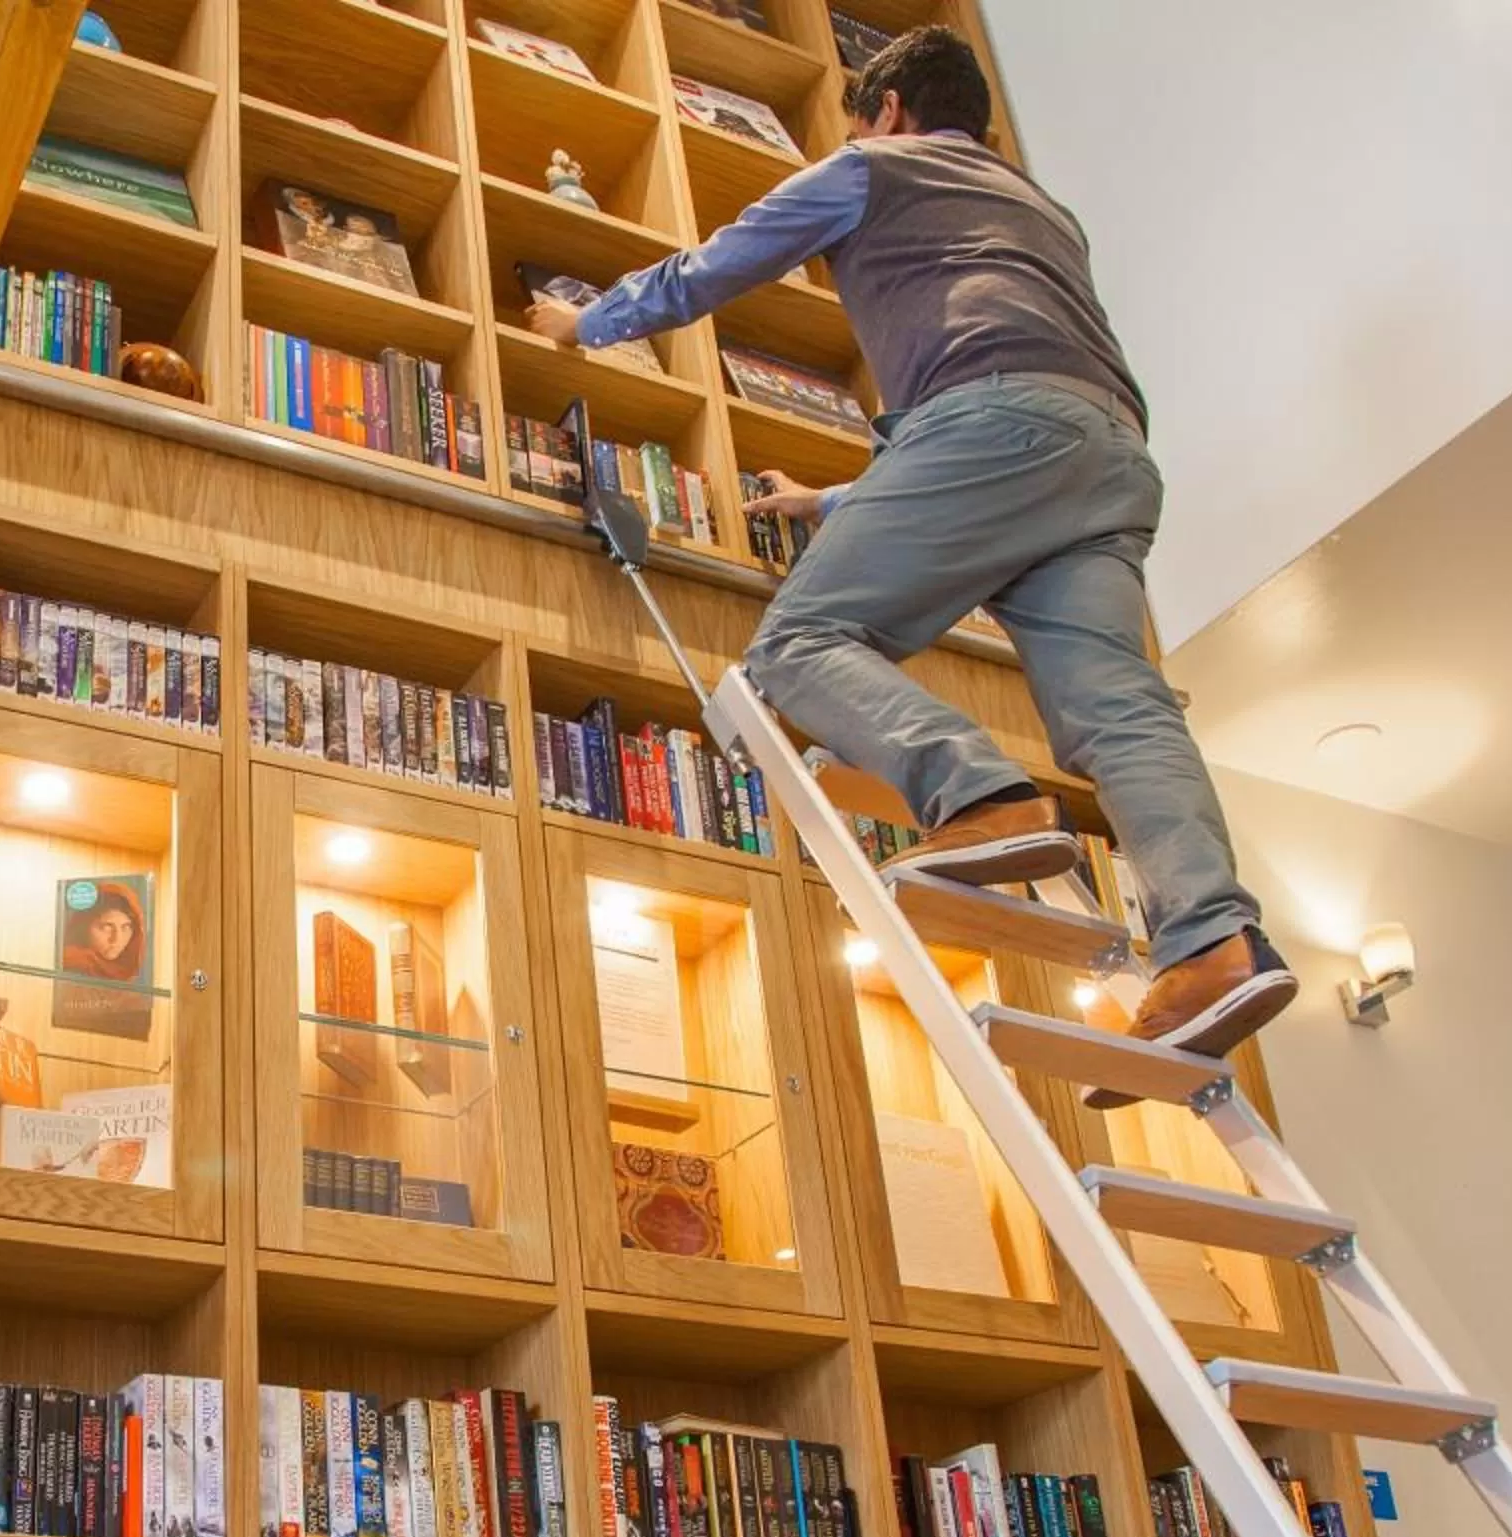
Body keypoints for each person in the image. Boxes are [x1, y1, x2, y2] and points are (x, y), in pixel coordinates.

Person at [524, 26, 1293, 1068]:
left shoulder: (870, 167)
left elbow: (718, 267)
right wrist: (835, 497)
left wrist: (587, 325)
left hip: (993, 429)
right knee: (1120, 710)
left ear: (884, 110)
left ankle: (978, 794)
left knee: (799, 642)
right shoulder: (1043, 212)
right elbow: (1023, 414)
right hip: (1108, 456)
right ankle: (1213, 941)